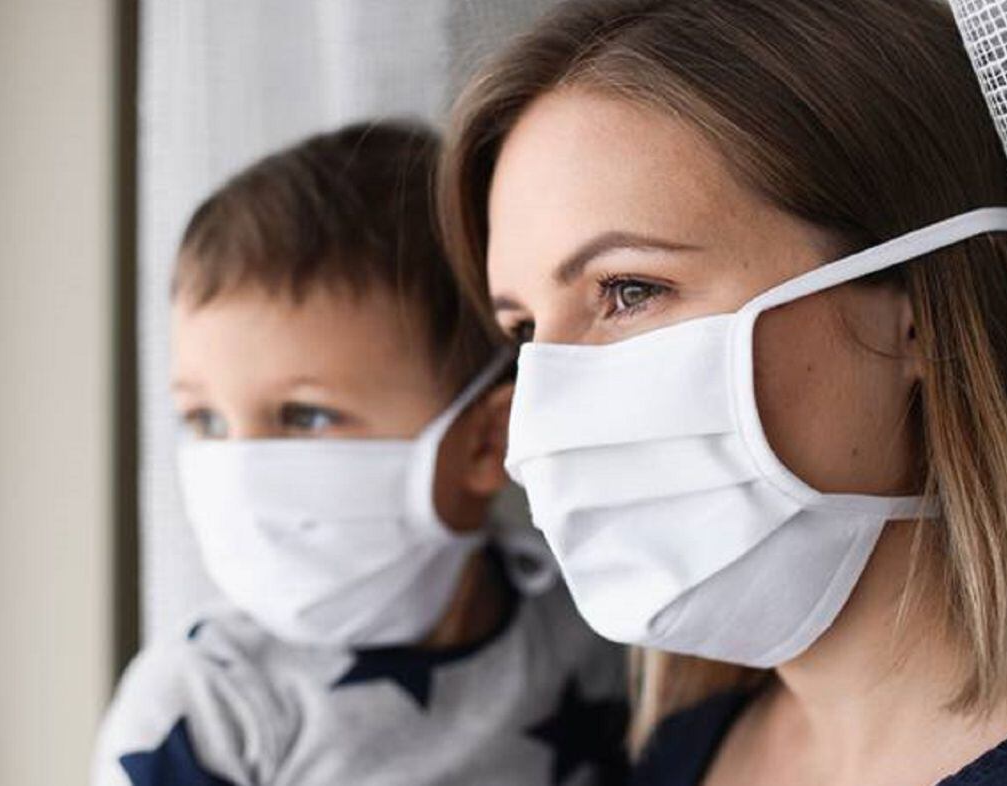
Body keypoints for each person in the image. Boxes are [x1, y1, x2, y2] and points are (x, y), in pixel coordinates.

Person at [437, 1, 1007, 784]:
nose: (538, 424)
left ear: (915, 316)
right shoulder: (673, 754)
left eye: (627, 290)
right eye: (523, 333)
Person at [93, 121, 627, 786]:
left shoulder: (590, 623)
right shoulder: (205, 706)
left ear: (488, 441)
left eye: (305, 415)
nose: (239, 471)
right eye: (205, 418)